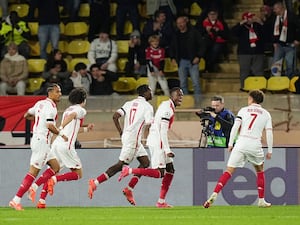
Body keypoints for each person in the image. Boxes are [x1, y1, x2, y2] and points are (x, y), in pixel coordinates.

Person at [203, 89, 273, 208]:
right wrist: (270, 150)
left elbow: (235, 127)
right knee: (260, 170)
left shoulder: (243, 110)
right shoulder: (266, 114)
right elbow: (269, 132)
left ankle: (214, 194)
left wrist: (230, 143)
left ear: (251, 99)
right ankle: (261, 200)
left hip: (240, 143)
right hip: (254, 144)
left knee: (228, 170)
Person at [88, 85, 154, 205]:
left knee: (145, 162)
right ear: (145, 93)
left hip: (128, 137)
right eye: (150, 91)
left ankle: (129, 189)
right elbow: (150, 124)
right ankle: (95, 182)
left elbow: (115, 116)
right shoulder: (147, 107)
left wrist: (120, 132)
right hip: (133, 139)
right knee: (121, 166)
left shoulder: (128, 103)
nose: (152, 93)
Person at [118, 87, 184, 208]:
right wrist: (167, 150)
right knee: (159, 173)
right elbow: (162, 131)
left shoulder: (166, 105)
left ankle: (161, 201)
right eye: (178, 95)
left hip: (157, 139)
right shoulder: (168, 110)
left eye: (182, 96)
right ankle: (130, 170)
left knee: (170, 170)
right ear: (172, 95)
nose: (181, 98)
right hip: (158, 140)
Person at [29, 88, 94, 208]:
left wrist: (86, 128)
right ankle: (54, 180)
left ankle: (40, 197)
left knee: (52, 170)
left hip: (57, 143)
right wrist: (61, 126)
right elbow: (73, 117)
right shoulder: (81, 110)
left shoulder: (67, 110)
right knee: (78, 174)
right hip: (66, 145)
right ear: (83, 99)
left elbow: (73, 127)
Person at [9, 83, 67, 210]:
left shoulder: (40, 103)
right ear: (50, 93)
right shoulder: (51, 108)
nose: (60, 94)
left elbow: (27, 115)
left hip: (38, 139)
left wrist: (38, 121)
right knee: (33, 171)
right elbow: (50, 126)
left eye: (60, 91)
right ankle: (16, 199)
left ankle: (33, 187)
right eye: (57, 92)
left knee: (56, 166)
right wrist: (62, 134)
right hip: (42, 142)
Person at [169, 16, 205, 105]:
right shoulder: (176, 34)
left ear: (185, 22)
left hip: (193, 61)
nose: (180, 25)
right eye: (178, 23)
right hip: (181, 61)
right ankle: (187, 103)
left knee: (196, 83)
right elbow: (172, 47)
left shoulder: (194, 32)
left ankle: (198, 103)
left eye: (181, 23)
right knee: (183, 84)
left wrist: (198, 56)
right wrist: (172, 58)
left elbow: (202, 45)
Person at [231, 12, 265, 91]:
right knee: (244, 71)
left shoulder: (258, 26)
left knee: (258, 71)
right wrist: (241, 23)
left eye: (252, 17)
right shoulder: (241, 27)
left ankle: (259, 87)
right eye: (250, 17)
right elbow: (232, 32)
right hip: (244, 53)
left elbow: (266, 33)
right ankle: (244, 87)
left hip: (257, 52)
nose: (252, 19)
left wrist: (261, 23)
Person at [271, 1, 300, 78]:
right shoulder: (275, 18)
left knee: (290, 64)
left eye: (275, 9)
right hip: (279, 45)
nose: (274, 11)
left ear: (280, 8)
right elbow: (272, 30)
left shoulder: (292, 16)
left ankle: (289, 81)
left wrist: (298, 39)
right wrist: (274, 41)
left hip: (290, 45)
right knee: (275, 64)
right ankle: (276, 81)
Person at [197, 8, 229, 72]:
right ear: (208, 15)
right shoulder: (203, 23)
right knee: (204, 49)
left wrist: (218, 31)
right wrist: (205, 29)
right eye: (210, 14)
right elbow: (197, 32)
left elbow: (227, 35)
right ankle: (207, 67)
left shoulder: (222, 23)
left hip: (218, 42)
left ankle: (209, 67)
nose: (212, 16)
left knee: (215, 49)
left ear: (217, 15)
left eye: (214, 14)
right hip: (207, 41)